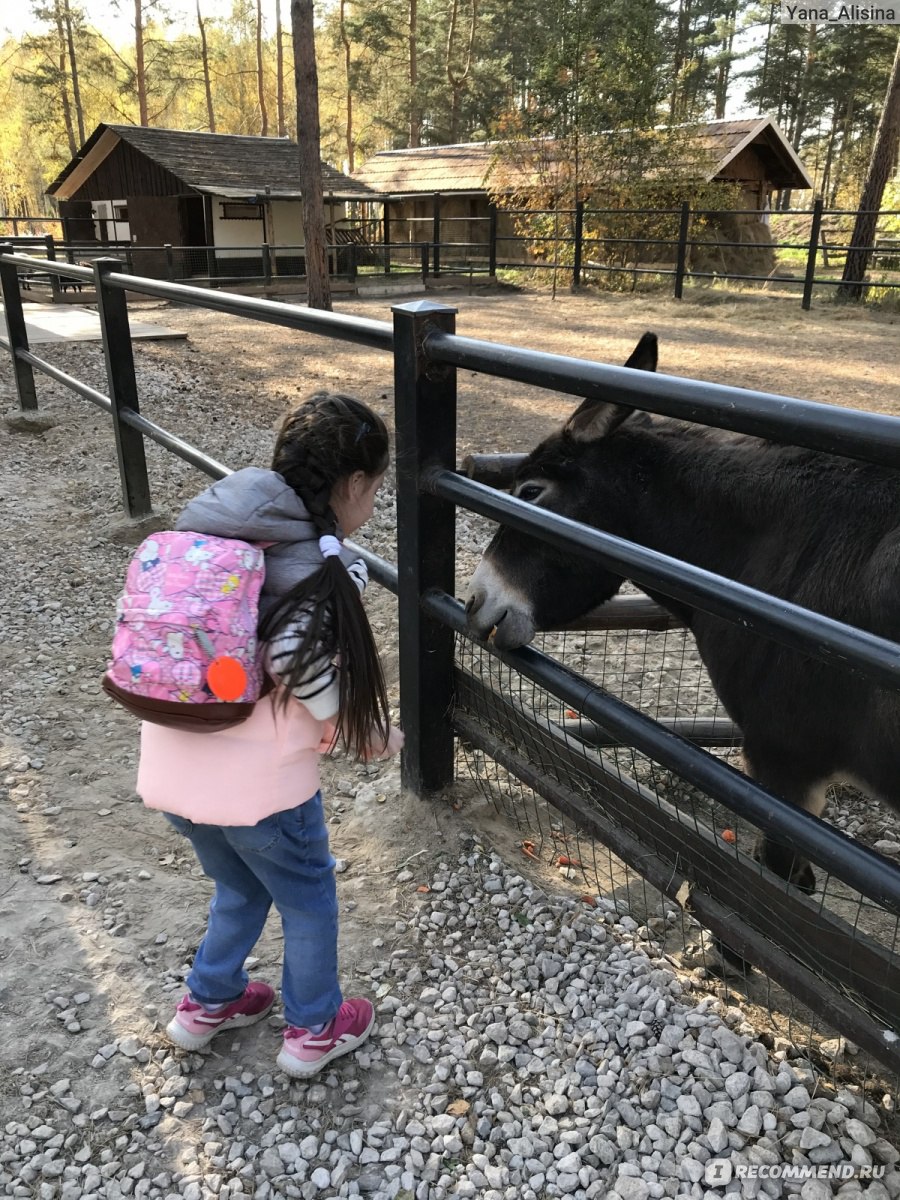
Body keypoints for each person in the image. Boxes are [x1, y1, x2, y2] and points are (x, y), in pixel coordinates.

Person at [135, 392, 403, 1078]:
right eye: (374, 489)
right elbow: (295, 661)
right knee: (308, 894)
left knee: (241, 888)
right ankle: (314, 1029)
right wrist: (365, 729)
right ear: (352, 485)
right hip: (261, 790)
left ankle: (206, 1005)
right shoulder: (308, 565)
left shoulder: (211, 526)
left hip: (174, 772)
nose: (371, 504)